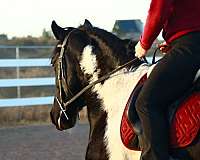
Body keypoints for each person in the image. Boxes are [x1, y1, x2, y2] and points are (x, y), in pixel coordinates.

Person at [133, 0, 200, 160]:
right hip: (187, 43)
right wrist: (174, 41)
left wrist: (144, 43)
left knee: (146, 103)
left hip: (190, 46)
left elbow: (158, 11)